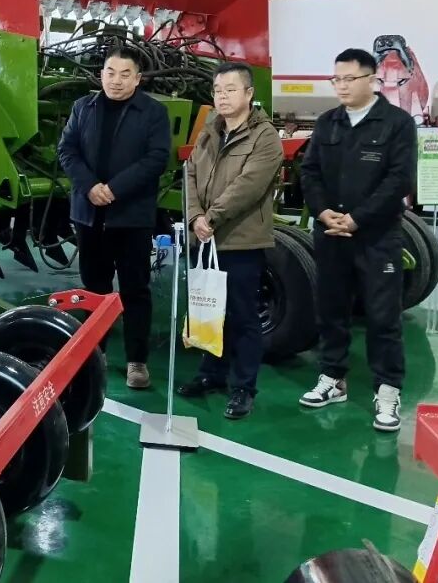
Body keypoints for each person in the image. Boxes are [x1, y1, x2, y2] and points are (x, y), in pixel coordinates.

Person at [298, 48, 417, 432]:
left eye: (349, 79)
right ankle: (332, 378)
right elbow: (309, 172)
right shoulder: (327, 123)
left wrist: (357, 219)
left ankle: (388, 390)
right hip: (331, 235)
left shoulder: (396, 123)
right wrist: (322, 212)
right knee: (331, 310)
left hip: (377, 238)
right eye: (337, 79)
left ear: (372, 79)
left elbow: (399, 180)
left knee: (383, 317)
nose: (342, 86)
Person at [57, 47, 171, 389]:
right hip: (89, 215)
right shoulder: (83, 107)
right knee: (94, 288)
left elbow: (157, 158)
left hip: (131, 217)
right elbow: (67, 150)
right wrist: (90, 186)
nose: (116, 80)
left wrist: (114, 189)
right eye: (110, 72)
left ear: (137, 79)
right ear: (101, 74)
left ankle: (137, 361)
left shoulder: (153, 112)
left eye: (125, 74)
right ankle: (95, 353)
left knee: (135, 289)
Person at [178, 63, 283, 419]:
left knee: (242, 316)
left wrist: (211, 218)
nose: (222, 97)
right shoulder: (210, 130)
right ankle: (211, 374)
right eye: (218, 90)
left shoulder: (264, 136)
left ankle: (243, 387)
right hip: (205, 238)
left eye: (231, 89)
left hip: (241, 241)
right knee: (210, 310)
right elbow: (190, 174)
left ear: (249, 94)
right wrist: (195, 216)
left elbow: (249, 186)